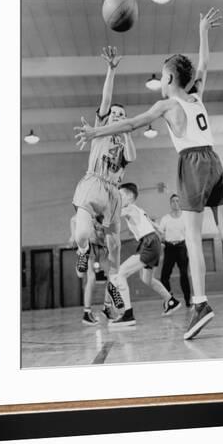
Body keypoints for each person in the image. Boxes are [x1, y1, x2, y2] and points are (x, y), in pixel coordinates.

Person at [74, 7, 223, 340]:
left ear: (167, 80)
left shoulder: (166, 105)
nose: (161, 82)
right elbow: (204, 65)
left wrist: (95, 132)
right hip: (215, 161)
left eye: (162, 76)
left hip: (192, 163)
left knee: (193, 238)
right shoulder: (196, 94)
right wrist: (203, 32)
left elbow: (133, 123)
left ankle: (201, 303)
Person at [72, 46, 136, 312]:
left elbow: (131, 157)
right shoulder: (99, 132)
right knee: (83, 233)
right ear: (108, 117)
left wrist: (128, 130)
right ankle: (83, 251)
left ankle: (112, 298)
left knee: (115, 251)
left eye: (122, 116)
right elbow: (106, 98)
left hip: (112, 193)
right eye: (115, 115)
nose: (118, 117)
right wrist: (111, 70)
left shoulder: (124, 143)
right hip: (94, 184)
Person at [109, 183, 181, 327]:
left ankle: (128, 315)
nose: (118, 198)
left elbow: (113, 215)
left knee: (121, 273)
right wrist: (160, 234)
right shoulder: (140, 210)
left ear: (129, 197)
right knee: (147, 279)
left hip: (148, 242)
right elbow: (155, 226)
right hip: (151, 242)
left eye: (121, 195)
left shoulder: (128, 208)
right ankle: (171, 301)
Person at [69, 214, 114, 325]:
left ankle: (107, 307)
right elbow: (73, 220)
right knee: (90, 277)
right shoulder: (88, 212)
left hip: (101, 248)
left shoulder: (107, 215)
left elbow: (108, 235)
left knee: (113, 277)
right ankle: (87, 313)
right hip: (89, 246)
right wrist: (73, 234)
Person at [158, 194, 191, 307]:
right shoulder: (165, 218)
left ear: (180, 203)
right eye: (173, 201)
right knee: (164, 276)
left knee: (184, 275)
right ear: (170, 203)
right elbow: (161, 234)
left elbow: (190, 233)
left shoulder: (185, 217)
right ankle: (169, 298)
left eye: (177, 201)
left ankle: (188, 301)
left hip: (181, 247)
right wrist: (162, 242)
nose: (175, 203)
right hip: (169, 248)